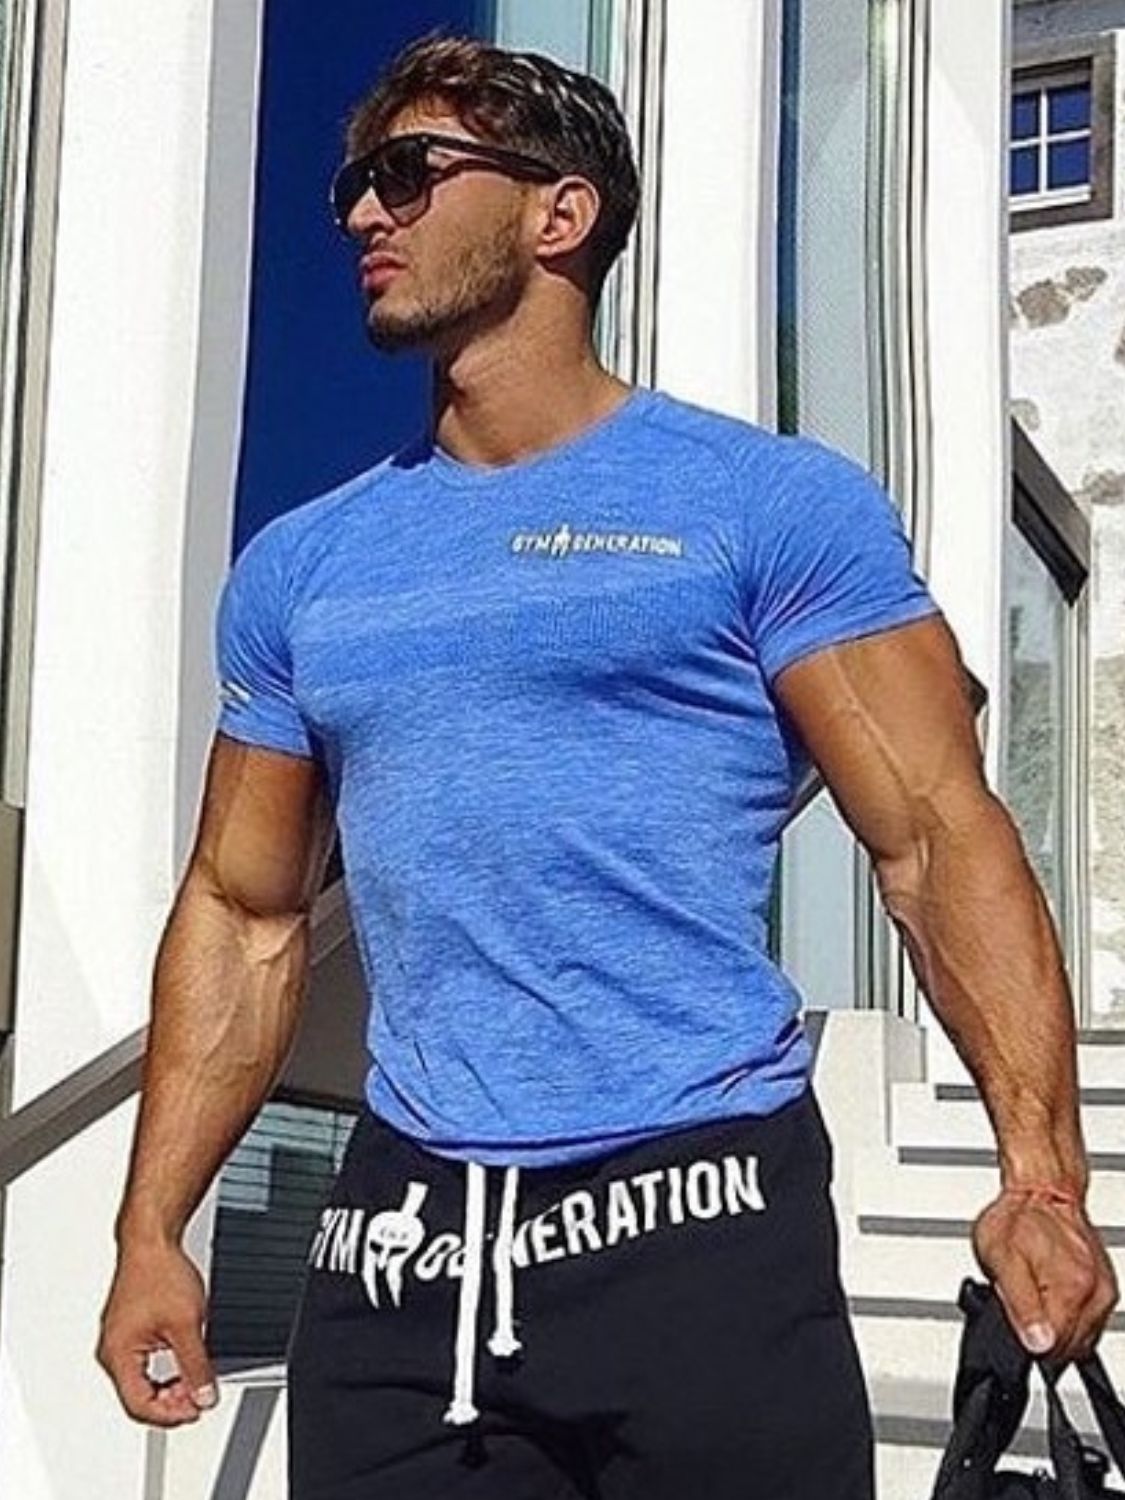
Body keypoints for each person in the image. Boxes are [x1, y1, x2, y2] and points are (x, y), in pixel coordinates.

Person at [96, 31, 1117, 1500]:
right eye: (353, 188)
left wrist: (1041, 1180)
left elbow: (935, 837)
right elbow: (245, 911)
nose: (366, 212)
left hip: (698, 1209)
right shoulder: (303, 565)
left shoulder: (766, 505)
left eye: (409, 173)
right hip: (405, 1241)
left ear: (559, 213)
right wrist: (152, 1228)